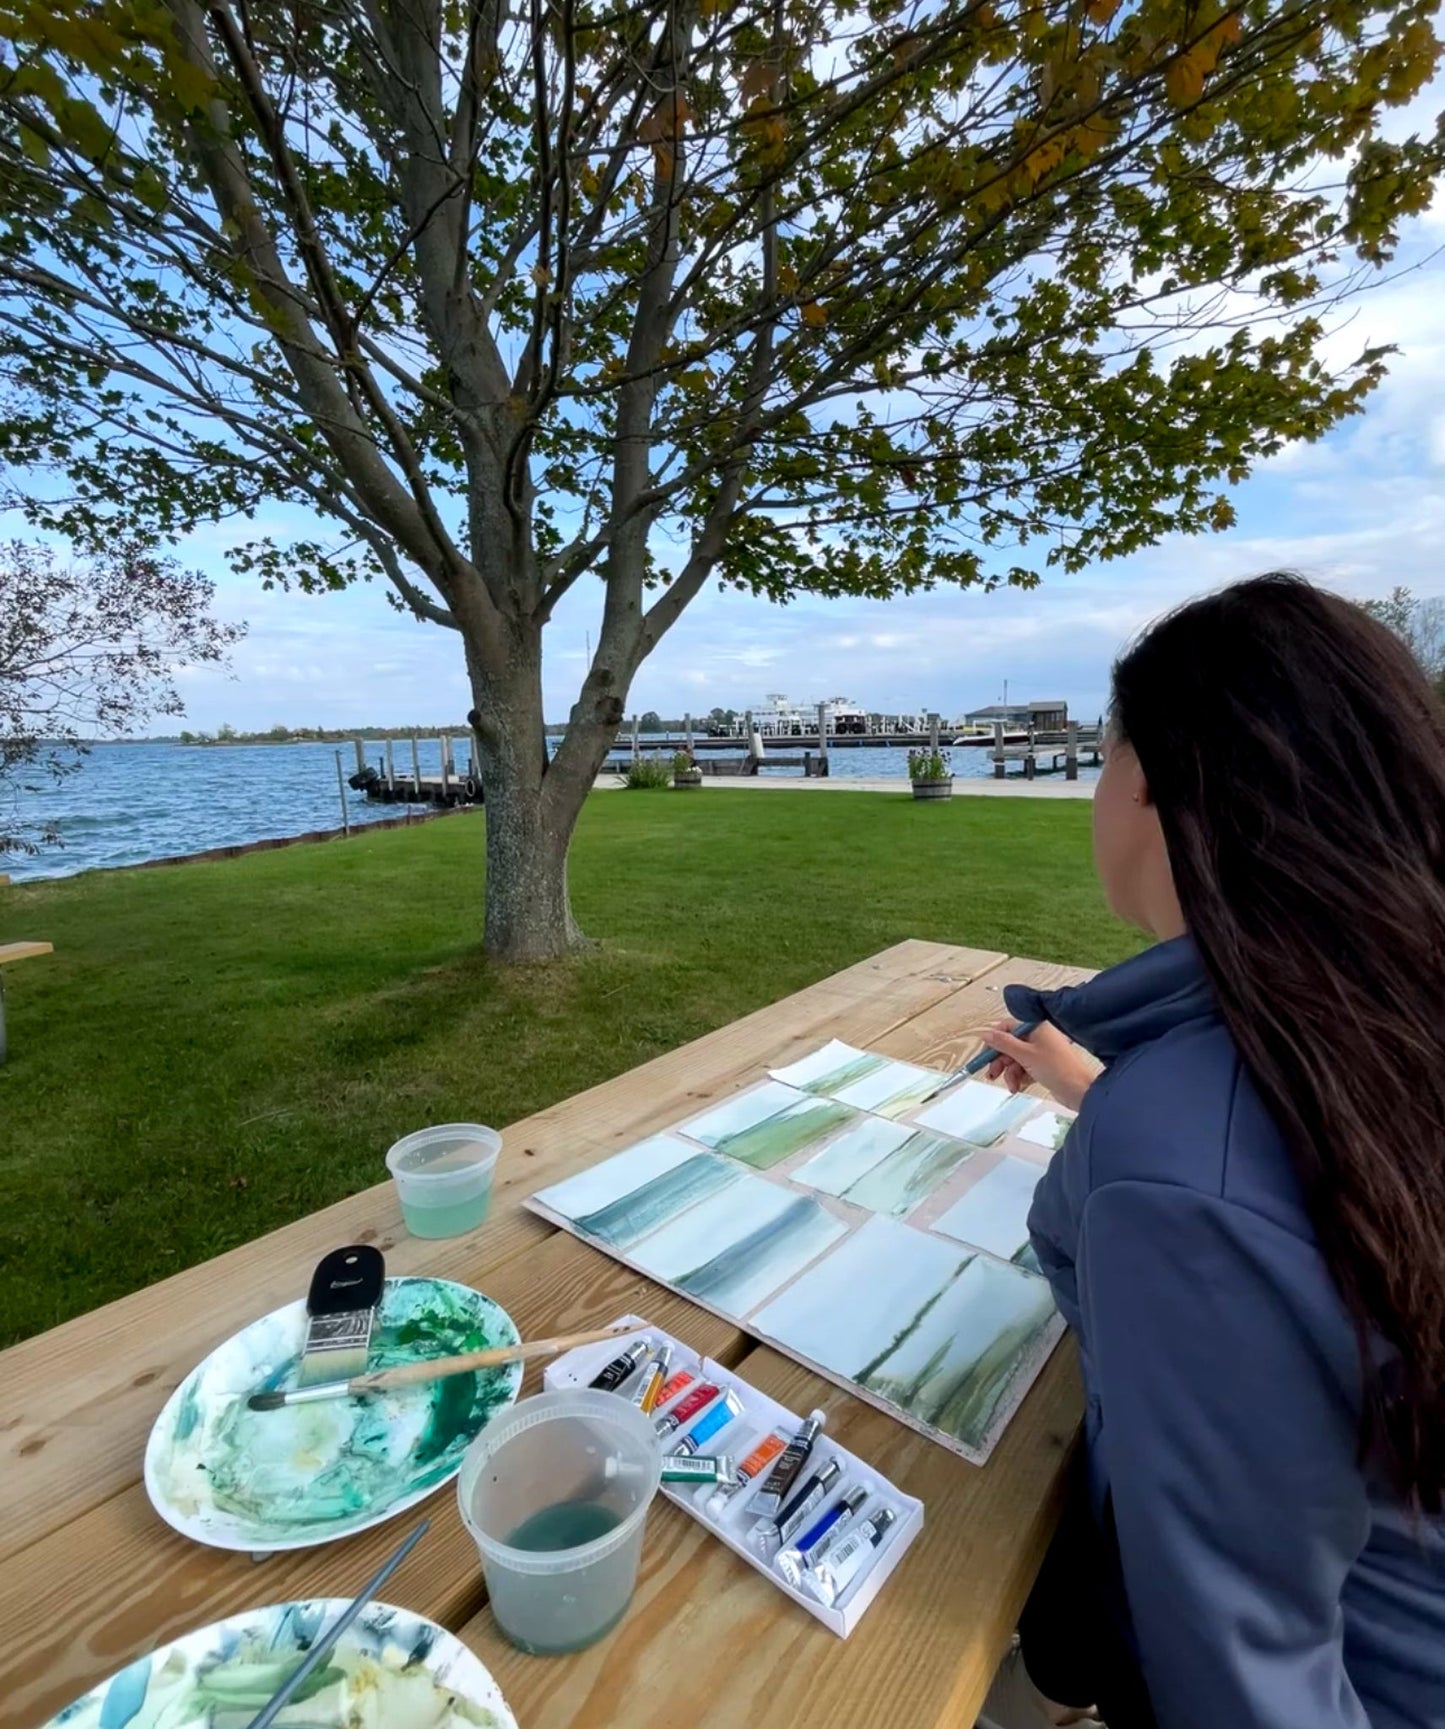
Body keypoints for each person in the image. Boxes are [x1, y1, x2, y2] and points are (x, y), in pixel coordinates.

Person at [983, 575, 1445, 1729]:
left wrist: (1149, 1131)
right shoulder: (1381, 1017)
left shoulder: (1177, 1162)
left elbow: (1246, 1682)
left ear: (1140, 778)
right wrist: (1108, 1091)